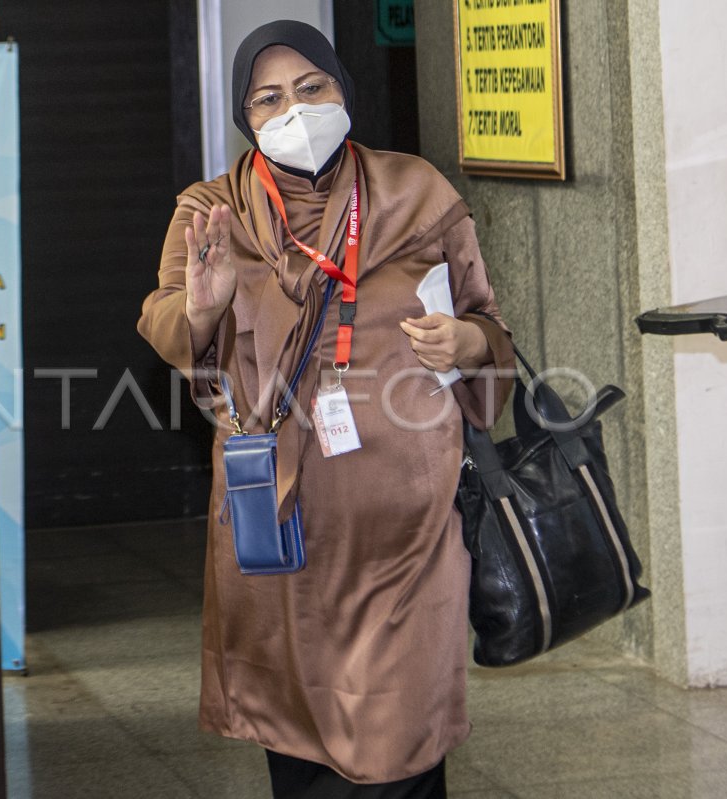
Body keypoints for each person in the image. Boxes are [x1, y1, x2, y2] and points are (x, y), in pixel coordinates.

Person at [138, 19, 515, 799]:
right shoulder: (211, 211)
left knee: (397, 744)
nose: (295, 111)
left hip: (406, 526)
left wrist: (467, 343)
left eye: (312, 88)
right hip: (282, 531)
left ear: (343, 87)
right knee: (301, 744)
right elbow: (167, 327)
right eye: (269, 98)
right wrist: (203, 309)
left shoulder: (418, 191)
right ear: (246, 118)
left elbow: (490, 324)